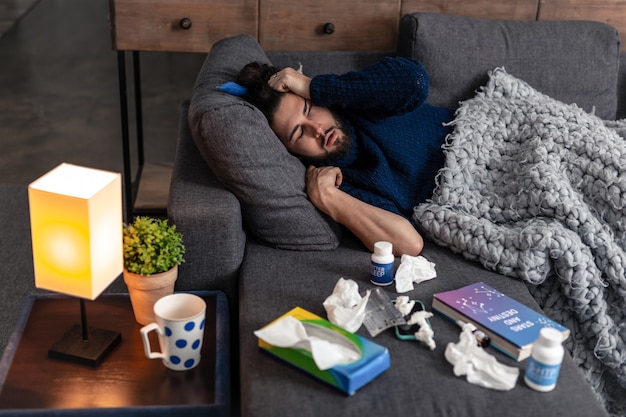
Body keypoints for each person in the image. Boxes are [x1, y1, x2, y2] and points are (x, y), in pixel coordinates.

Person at [236, 57, 454, 257]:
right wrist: (328, 196)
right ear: (292, 152)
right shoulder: (340, 181)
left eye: (309, 110)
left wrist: (313, 86)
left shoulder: (359, 100)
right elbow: (408, 244)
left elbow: (414, 81)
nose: (317, 130)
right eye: (299, 133)